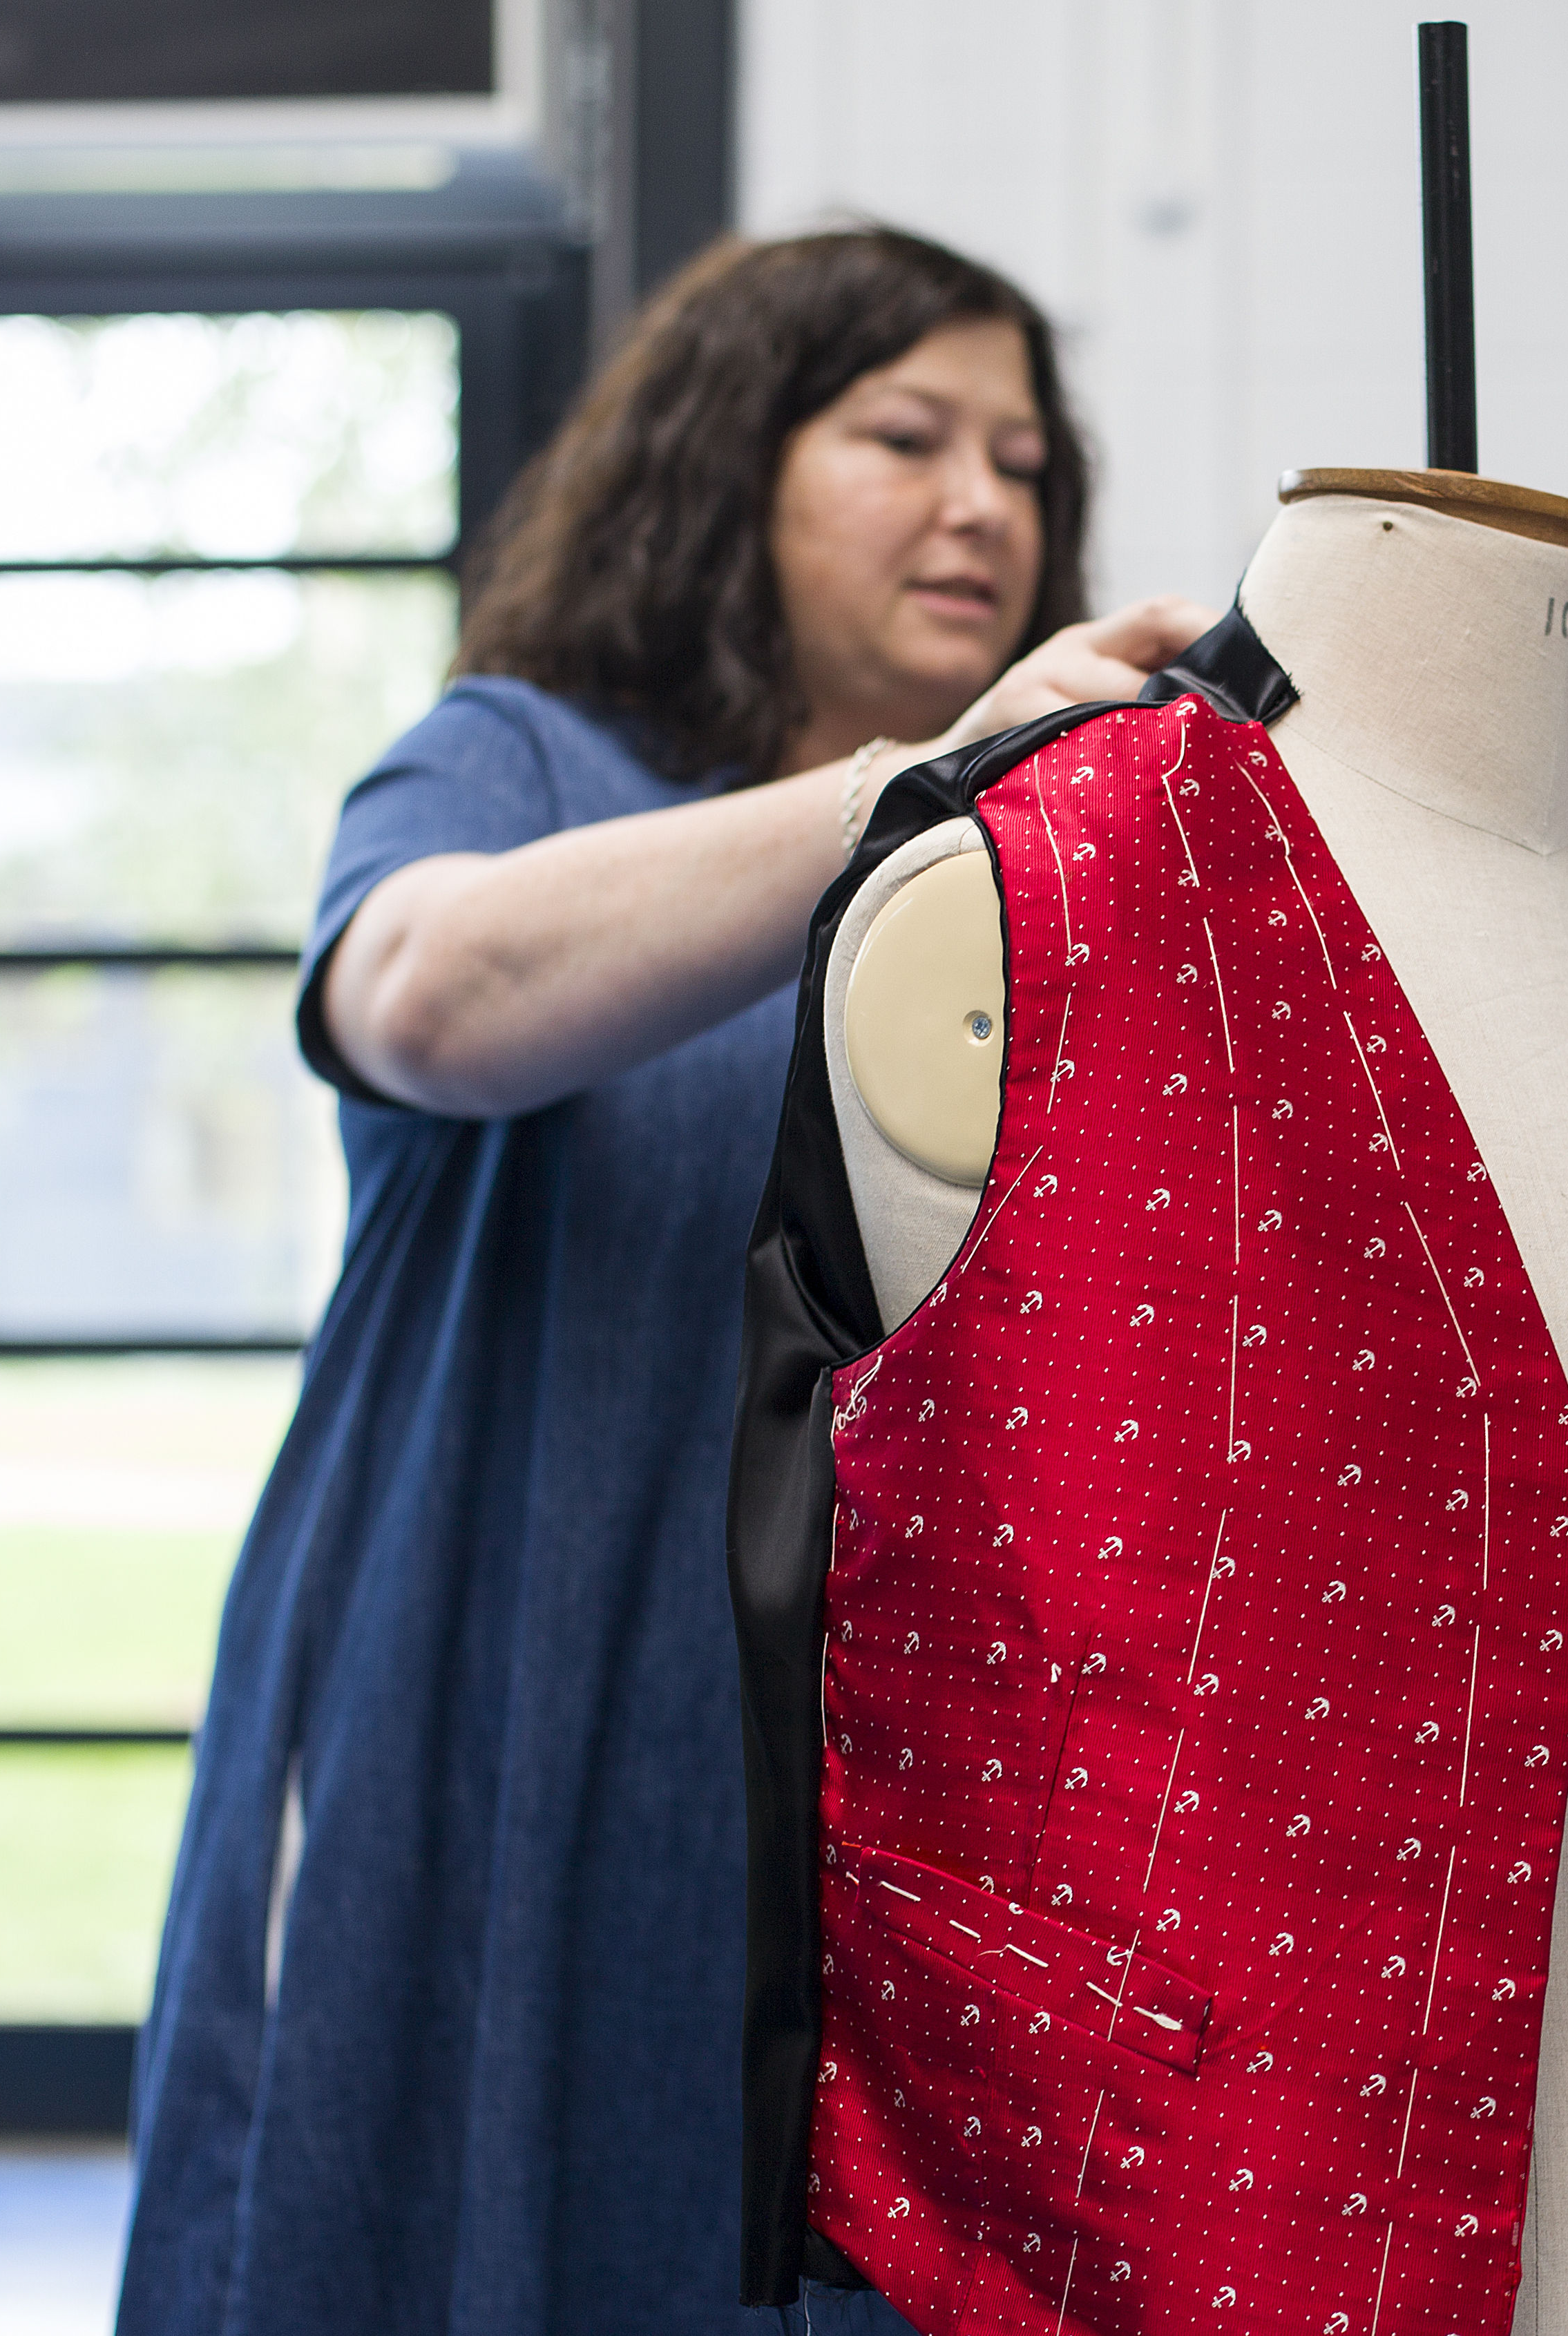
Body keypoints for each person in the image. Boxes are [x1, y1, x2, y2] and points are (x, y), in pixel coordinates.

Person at [117, 227, 1214, 2336]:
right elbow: (424, 996)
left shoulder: (1050, 865)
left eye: (1020, 462)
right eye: (905, 438)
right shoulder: (520, 760)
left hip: (884, 1769)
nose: (982, 506)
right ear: (731, 464)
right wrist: (915, 786)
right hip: (501, 1696)